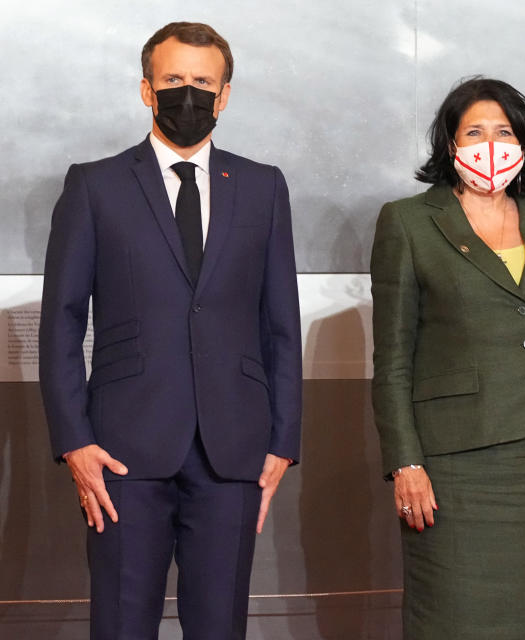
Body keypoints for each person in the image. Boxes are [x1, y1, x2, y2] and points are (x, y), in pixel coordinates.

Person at [39, 22, 302, 639]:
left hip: (233, 449)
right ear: (146, 90)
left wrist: (284, 440)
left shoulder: (263, 187)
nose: (190, 94)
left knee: (220, 627)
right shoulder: (94, 184)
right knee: (122, 624)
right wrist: (74, 441)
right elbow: (62, 321)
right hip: (121, 452)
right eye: (175, 81)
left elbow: (280, 324)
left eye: (203, 82)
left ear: (226, 94)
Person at [370, 77, 525, 640]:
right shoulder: (409, 221)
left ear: (524, 143)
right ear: (450, 143)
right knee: (452, 618)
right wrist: (405, 462)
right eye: (474, 131)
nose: (490, 142)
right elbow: (393, 359)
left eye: (504, 131)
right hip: (454, 462)